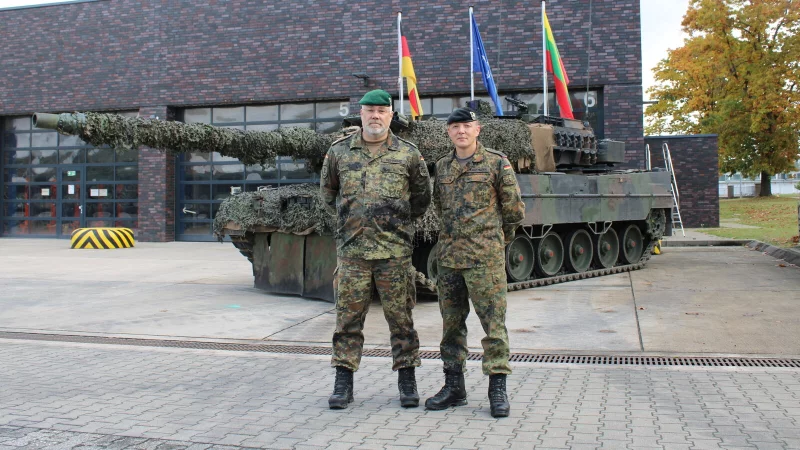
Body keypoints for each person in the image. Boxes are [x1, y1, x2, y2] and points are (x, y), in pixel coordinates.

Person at [320, 89, 431, 409]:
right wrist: (349, 224)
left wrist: (396, 225)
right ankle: (343, 381)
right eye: (370, 110)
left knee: (401, 319)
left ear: (391, 116)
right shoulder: (340, 152)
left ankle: (407, 380)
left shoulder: (408, 153)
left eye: (382, 111)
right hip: (353, 252)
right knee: (347, 320)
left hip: (394, 252)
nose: (375, 116)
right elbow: (328, 194)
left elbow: (422, 198)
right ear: (362, 114)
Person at [425, 107, 525, 418]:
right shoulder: (442, 167)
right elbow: (440, 207)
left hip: (485, 260)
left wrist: (493, 243)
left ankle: (497, 389)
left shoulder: (497, 162)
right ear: (449, 132)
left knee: (493, 327)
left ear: (477, 129)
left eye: (466, 126)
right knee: (451, 327)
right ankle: (454, 387)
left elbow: (514, 212)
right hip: (451, 260)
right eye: (455, 127)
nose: (461, 131)